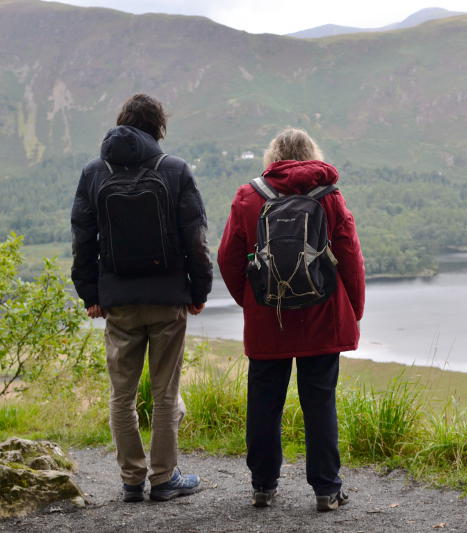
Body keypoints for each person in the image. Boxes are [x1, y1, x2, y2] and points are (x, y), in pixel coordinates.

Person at [70, 93, 213, 502]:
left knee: (122, 394)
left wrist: (90, 294)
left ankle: (132, 480)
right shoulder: (175, 170)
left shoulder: (94, 173)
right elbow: (195, 239)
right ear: (158, 128)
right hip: (167, 298)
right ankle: (164, 478)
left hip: (117, 301)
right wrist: (198, 290)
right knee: (166, 393)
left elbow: (83, 240)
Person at [217, 127, 365, 511]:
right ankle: (327, 490)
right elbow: (350, 257)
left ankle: (263, 486)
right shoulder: (330, 196)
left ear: (273, 158)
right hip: (324, 315)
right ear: (312, 155)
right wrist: (354, 310)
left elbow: (228, 259)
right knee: (320, 402)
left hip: (269, 318)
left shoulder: (249, 196)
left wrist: (252, 300)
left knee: (264, 401)